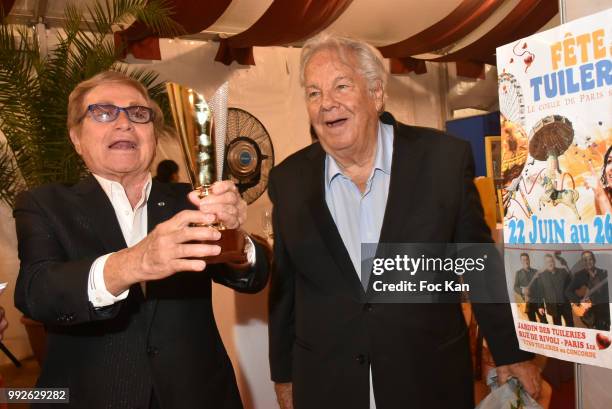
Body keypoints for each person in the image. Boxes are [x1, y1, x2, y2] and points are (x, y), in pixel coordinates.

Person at [267, 33, 540, 409]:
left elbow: (477, 262)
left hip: (428, 377)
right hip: (328, 383)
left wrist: (511, 352)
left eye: (341, 86)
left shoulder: (443, 160)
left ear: (377, 93)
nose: (326, 103)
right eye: (314, 93)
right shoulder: (288, 181)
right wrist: (283, 377)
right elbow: (284, 291)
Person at [13, 71, 269, 409]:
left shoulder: (190, 199)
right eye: (103, 112)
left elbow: (254, 276)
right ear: (76, 137)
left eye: (138, 113)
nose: (124, 123)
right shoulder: (43, 204)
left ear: (153, 134)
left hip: (198, 394)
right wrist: (135, 262)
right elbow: (37, 292)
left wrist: (236, 233)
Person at [565, 251, 610, 330]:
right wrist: (580, 302)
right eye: (585, 260)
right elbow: (567, 292)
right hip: (589, 314)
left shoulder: (604, 273)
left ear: (594, 260)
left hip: (604, 311)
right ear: (582, 262)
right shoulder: (578, 275)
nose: (588, 262)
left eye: (590, 259)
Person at [528, 254, 573, 327]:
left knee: (571, 327)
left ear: (554, 262)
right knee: (558, 328)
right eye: (547, 262)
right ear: (545, 264)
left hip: (566, 305)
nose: (550, 263)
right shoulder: (541, 276)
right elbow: (540, 292)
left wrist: (567, 268)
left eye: (551, 261)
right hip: (553, 307)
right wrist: (540, 306)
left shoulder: (563, 271)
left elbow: (571, 285)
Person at [513, 253, 547, 323]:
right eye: (523, 260)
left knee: (544, 323)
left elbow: (540, 289)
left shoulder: (536, 272)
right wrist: (522, 290)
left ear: (529, 260)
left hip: (537, 302)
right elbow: (515, 287)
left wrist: (540, 305)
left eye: (527, 259)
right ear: (521, 261)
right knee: (532, 324)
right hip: (527, 303)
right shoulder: (518, 273)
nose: (526, 261)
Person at [588, 145, 612, 215]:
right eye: (609, 161)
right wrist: (599, 194)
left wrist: (601, 195)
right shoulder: (606, 194)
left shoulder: (602, 195)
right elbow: (602, 224)